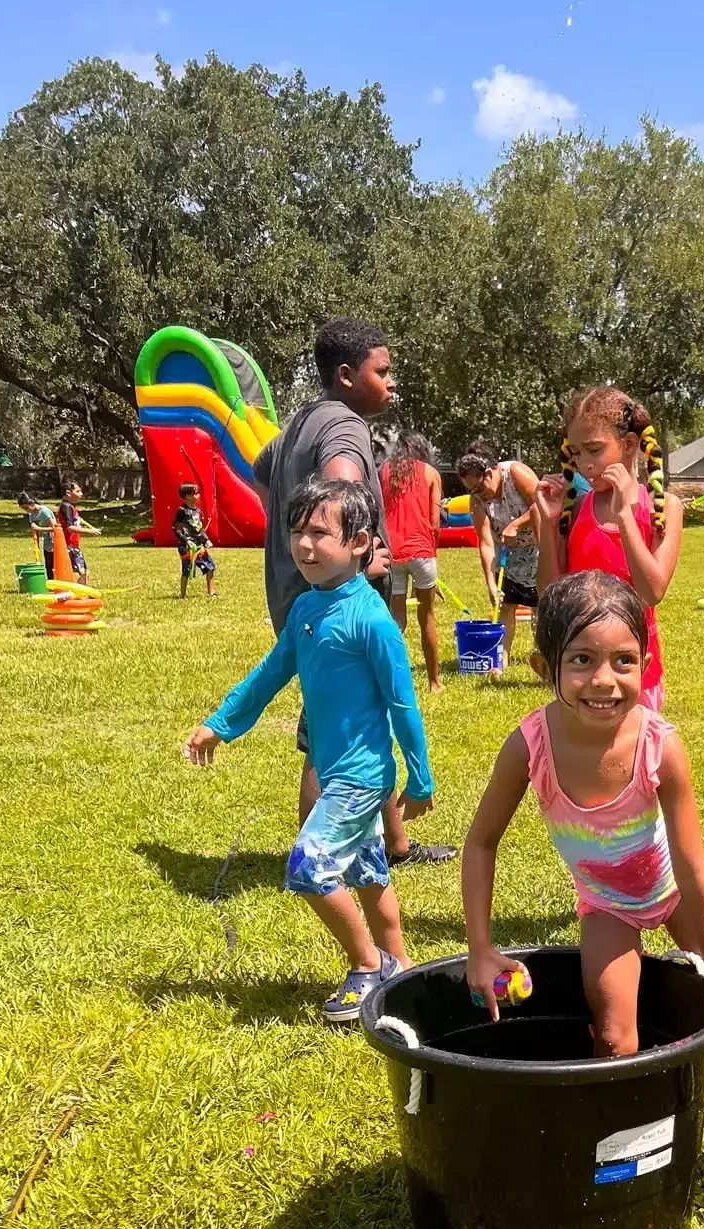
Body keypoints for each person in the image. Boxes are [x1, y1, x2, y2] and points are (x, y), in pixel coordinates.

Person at [461, 571, 704, 1199]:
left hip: (675, 891)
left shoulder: (661, 745)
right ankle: (619, 1149)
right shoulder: (530, 745)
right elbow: (480, 842)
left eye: (623, 661)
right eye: (582, 660)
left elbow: (692, 866)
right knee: (612, 1038)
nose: (604, 681)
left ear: (645, 664)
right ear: (544, 665)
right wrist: (480, 946)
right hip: (607, 905)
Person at [183, 478, 434, 1027]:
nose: (304, 545)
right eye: (297, 531)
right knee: (368, 873)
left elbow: (403, 705)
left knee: (309, 865)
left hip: (362, 777)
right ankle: (399, 964)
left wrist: (420, 781)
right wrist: (221, 725)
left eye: (320, 533)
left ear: (361, 542)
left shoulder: (372, 620)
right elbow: (270, 674)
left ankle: (366, 966)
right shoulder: (306, 611)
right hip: (339, 771)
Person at [250, 316, 452, 865]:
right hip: (337, 595)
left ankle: (395, 844)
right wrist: (359, 561)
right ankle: (320, 858)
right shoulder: (345, 428)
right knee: (328, 732)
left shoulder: (299, 422)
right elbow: (341, 487)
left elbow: (260, 467)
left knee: (363, 717)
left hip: (302, 592)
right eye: (382, 371)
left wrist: (293, 534)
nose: (391, 381)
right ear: (346, 375)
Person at [534, 386, 683, 713]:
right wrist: (547, 523)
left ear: (628, 445)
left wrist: (624, 515)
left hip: (634, 673)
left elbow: (653, 590)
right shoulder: (574, 511)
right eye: (576, 453)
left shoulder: (663, 508)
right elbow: (549, 594)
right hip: (578, 671)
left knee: (635, 759)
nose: (585, 464)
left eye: (594, 450)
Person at [457, 440, 540, 671]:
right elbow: (485, 542)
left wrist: (516, 524)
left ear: (490, 473)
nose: (477, 495)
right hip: (511, 553)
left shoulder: (516, 473)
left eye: (479, 488)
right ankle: (500, 662)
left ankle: (543, 657)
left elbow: (542, 505)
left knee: (541, 605)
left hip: (541, 545)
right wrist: (491, 584)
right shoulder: (477, 500)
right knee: (507, 605)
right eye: (471, 490)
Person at [380, 430, 443, 692]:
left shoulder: (383, 471)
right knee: (426, 616)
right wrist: (431, 556)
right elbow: (435, 523)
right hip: (422, 551)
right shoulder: (430, 473)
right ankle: (434, 682)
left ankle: (389, 681)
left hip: (392, 552)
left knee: (396, 620)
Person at [172, 483, 217, 599]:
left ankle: (211, 593)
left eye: (198, 493)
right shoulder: (182, 511)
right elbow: (175, 528)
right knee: (186, 571)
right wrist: (186, 540)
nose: (198, 495)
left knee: (210, 567)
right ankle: (183, 595)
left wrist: (206, 539)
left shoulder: (198, 511)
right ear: (187, 496)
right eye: (195, 493)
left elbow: (199, 528)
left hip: (198, 546)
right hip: (186, 547)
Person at [56, 481, 95, 582]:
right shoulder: (66, 506)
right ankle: (79, 594)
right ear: (69, 493)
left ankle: (80, 593)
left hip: (73, 545)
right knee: (82, 572)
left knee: (83, 572)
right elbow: (70, 528)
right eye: (78, 491)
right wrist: (89, 531)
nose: (81, 494)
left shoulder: (70, 506)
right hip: (69, 546)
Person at [18, 492, 56, 577]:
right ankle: (51, 585)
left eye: (26, 508)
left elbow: (55, 529)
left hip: (56, 541)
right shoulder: (32, 515)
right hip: (47, 542)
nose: (26, 510)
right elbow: (35, 532)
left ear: (32, 503)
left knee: (56, 564)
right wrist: (37, 546)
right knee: (48, 565)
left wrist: (39, 529)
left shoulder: (44, 511)